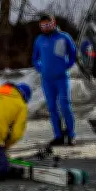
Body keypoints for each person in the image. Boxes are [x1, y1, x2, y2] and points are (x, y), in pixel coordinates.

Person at [31, 14, 77, 146]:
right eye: (43, 26)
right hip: (47, 80)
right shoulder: (39, 39)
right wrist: (41, 68)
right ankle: (58, 135)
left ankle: (71, 134)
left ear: (54, 23)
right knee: (52, 108)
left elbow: (73, 54)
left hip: (62, 78)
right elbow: (35, 58)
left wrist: (66, 66)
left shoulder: (64, 37)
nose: (45, 28)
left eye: (48, 25)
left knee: (65, 106)